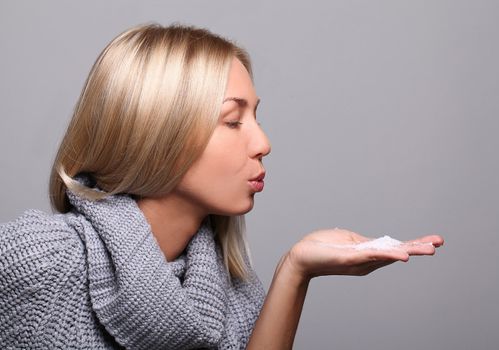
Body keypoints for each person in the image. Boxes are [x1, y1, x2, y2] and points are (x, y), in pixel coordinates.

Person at [0, 23, 443, 349]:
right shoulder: (41, 259)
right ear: (157, 133)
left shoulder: (234, 292)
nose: (263, 143)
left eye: (255, 117)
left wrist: (295, 270)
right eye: (233, 121)